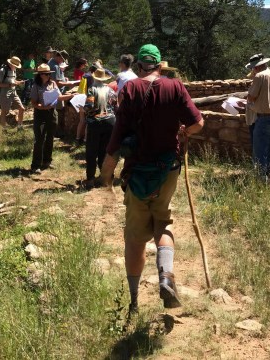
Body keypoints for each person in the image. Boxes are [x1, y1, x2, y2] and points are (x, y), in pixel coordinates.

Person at [100, 44, 204, 316]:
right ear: (159, 66)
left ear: (139, 66)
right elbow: (198, 124)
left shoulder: (130, 89)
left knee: (135, 238)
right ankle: (166, 276)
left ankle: (134, 301)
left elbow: (118, 134)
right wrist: (183, 132)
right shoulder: (175, 86)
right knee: (163, 221)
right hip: (167, 170)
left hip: (137, 172)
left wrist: (107, 172)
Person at [29, 63, 73, 173]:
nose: (48, 75)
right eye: (45, 73)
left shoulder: (53, 83)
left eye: (48, 73)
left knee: (50, 138)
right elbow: (33, 103)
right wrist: (42, 107)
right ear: (40, 75)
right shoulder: (35, 86)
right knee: (39, 139)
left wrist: (71, 96)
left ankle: (47, 161)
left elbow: (59, 97)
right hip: (40, 114)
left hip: (52, 114)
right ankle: (35, 165)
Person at [246, 55, 270, 181]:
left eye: (253, 68)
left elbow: (252, 96)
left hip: (263, 117)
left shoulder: (260, 76)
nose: (252, 70)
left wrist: (248, 102)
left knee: (259, 150)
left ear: (257, 67)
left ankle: (261, 180)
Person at [83, 67, 116, 186]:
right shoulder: (111, 90)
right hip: (110, 122)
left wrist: (83, 109)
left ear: (94, 77)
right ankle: (106, 177)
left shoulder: (92, 90)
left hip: (95, 123)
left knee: (92, 151)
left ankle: (90, 179)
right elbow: (115, 105)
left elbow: (89, 106)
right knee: (105, 151)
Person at [0, 56, 26, 128]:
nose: (16, 67)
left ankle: (20, 126)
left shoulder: (14, 70)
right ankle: (4, 129)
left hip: (14, 92)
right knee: (4, 111)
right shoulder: (3, 70)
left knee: (22, 108)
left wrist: (19, 82)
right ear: (10, 64)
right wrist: (10, 85)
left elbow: (13, 81)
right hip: (5, 94)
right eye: (15, 65)